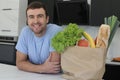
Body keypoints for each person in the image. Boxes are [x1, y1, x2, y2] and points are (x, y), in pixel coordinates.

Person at [15, 1, 62, 74]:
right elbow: (19, 62)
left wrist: (30, 66)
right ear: (27, 21)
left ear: (47, 19)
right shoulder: (25, 32)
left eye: (40, 16)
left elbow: (54, 67)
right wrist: (42, 68)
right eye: (31, 17)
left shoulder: (56, 31)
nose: (36, 21)